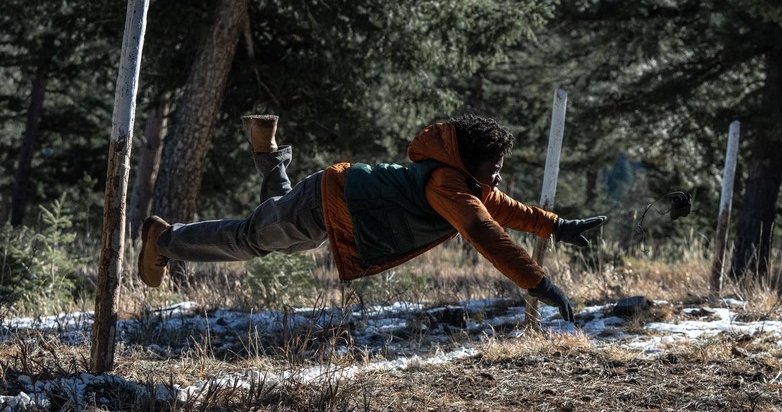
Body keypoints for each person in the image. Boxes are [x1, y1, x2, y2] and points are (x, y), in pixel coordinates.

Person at [138, 114, 607, 322]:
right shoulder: (447, 185)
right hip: (328, 201)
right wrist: (540, 284)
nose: (499, 173)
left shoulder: (460, 181)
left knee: (283, 235)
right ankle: (164, 240)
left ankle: (272, 157)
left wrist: (558, 227)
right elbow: (486, 231)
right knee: (250, 239)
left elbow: (498, 208)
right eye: (494, 164)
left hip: (330, 207)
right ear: (468, 160)